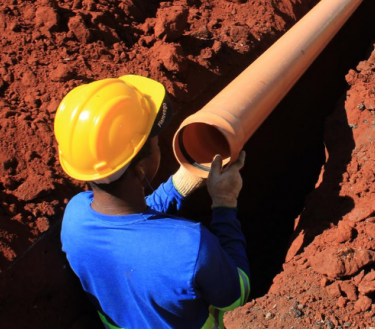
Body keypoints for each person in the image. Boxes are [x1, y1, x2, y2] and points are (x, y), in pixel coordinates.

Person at [55, 75, 250, 329]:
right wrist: (225, 203)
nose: (160, 146)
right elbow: (237, 296)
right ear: (141, 169)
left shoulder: (75, 215)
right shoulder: (191, 246)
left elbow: (132, 224)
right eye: (156, 144)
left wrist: (182, 182)